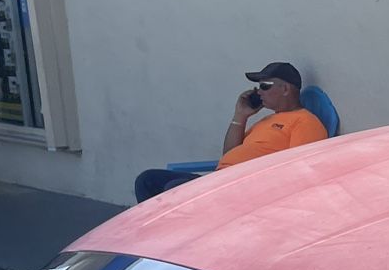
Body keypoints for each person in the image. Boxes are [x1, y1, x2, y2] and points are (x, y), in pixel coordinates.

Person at [133, 61, 328, 202]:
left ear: (285, 89)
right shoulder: (266, 121)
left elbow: (299, 173)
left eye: (264, 86)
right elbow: (228, 155)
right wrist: (240, 116)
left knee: (173, 191)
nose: (258, 92)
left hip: (244, 191)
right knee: (148, 180)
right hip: (221, 181)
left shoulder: (305, 121)